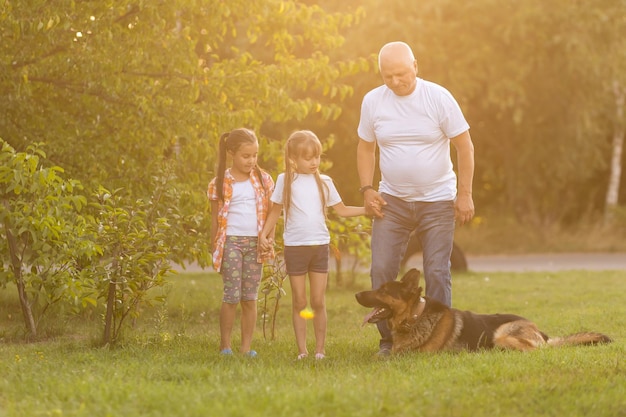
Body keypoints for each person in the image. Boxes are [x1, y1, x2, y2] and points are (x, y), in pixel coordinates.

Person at [357, 41, 475, 357]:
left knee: (437, 270)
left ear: (415, 66)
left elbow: (464, 146)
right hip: (391, 202)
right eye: (387, 76)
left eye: (400, 74)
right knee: (381, 269)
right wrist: (367, 189)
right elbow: (366, 148)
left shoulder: (437, 98)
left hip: (437, 201)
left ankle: (439, 341)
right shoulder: (372, 102)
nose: (395, 82)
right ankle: (388, 340)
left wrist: (464, 194)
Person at [259, 130, 367, 361]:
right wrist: (264, 234)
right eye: (308, 158)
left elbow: (343, 210)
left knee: (318, 301)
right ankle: (302, 351)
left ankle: (320, 350)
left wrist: (369, 210)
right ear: (293, 159)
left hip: (319, 247)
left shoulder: (325, 182)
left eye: (316, 156)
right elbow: (275, 211)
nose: (314, 162)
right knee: (299, 300)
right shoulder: (284, 180)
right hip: (295, 247)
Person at [207, 128, 275, 357]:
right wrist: (213, 247)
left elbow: (271, 214)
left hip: (256, 245)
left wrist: (269, 238)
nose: (251, 160)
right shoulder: (219, 183)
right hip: (231, 244)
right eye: (246, 156)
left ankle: (246, 348)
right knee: (231, 296)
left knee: (249, 297)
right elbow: (215, 219)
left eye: (255, 155)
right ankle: (225, 346)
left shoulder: (264, 180)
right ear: (232, 154)